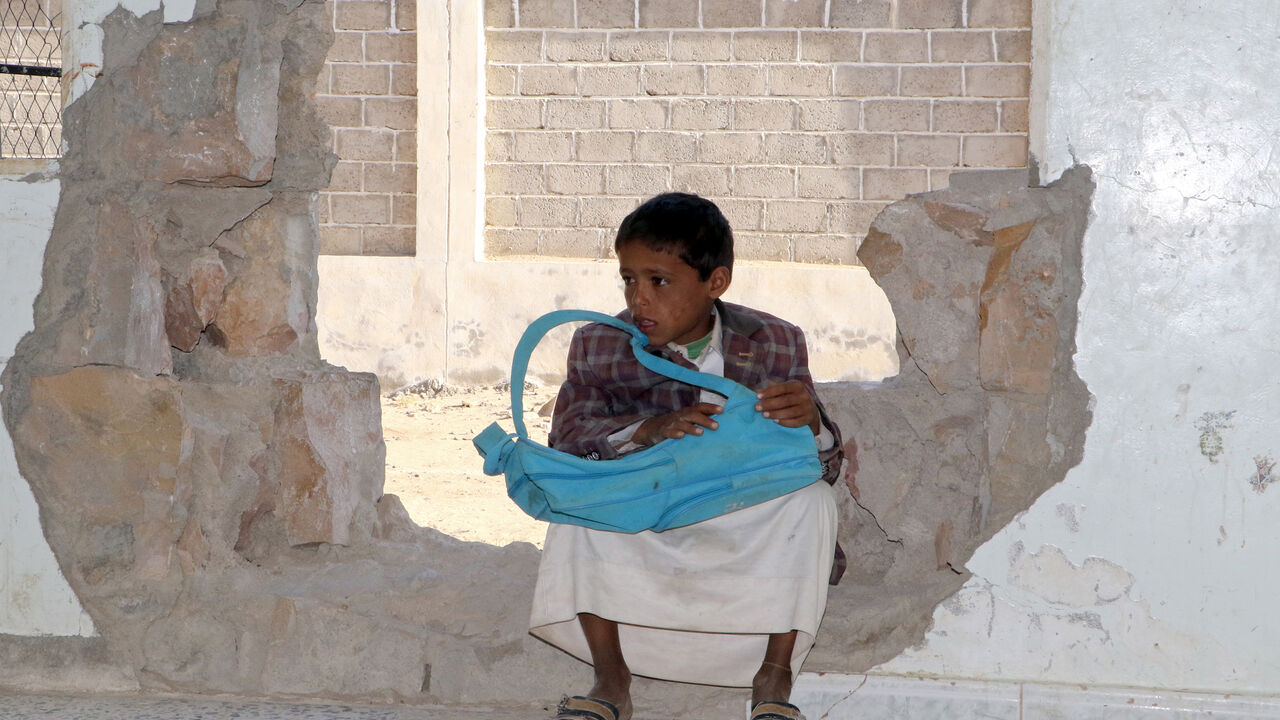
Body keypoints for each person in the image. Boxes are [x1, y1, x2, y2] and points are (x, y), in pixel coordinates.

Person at [530, 192, 845, 720]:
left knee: (812, 504)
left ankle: (773, 676)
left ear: (715, 283)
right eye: (628, 279)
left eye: (659, 281)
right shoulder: (600, 343)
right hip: (646, 517)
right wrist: (648, 431)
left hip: (741, 519)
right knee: (576, 508)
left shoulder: (774, 341)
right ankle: (611, 677)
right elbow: (567, 440)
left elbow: (825, 468)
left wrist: (812, 425)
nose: (639, 300)